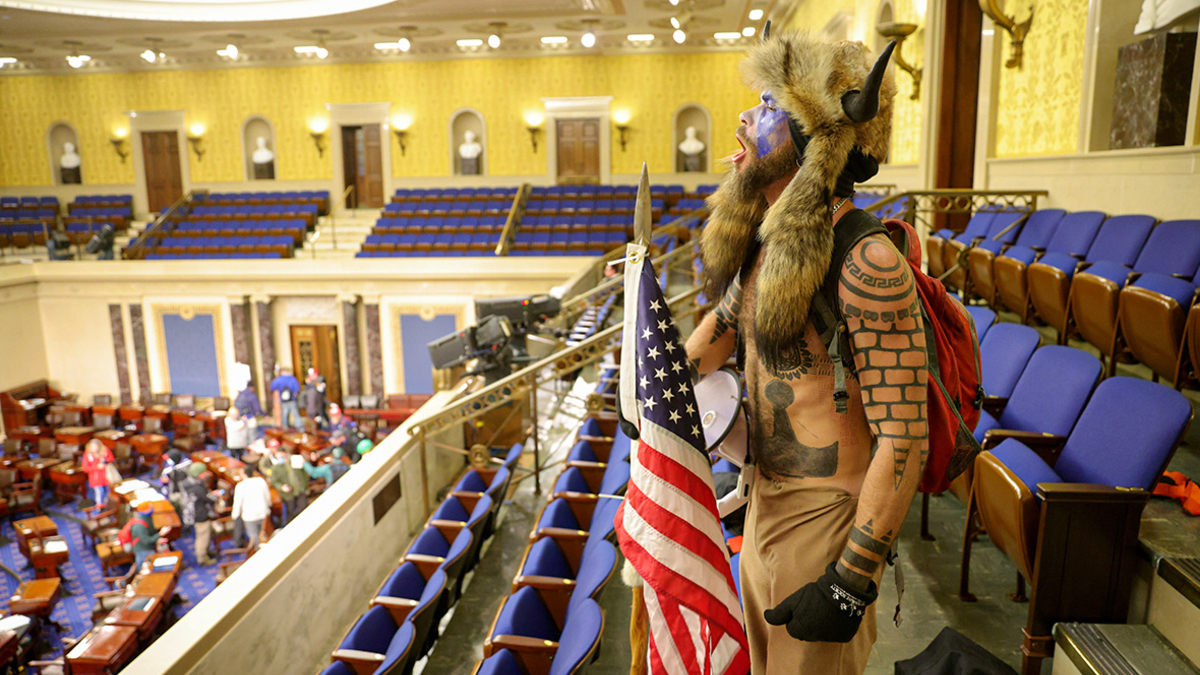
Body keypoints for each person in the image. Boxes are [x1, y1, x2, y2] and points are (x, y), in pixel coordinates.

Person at [685, 31, 918, 675]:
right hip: (762, 500)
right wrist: (656, 389)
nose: (745, 115)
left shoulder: (869, 262)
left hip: (827, 522)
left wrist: (851, 580)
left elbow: (905, 439)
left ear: (814, 133)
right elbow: (722, 327)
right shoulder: (769, 244)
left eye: (767, 104)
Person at [180, 463, 218, 566]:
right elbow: (210, 499)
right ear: (199, 474)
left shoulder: (187, 483)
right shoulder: (197, 488)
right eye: (204, 472)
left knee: (206, 535)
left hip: (193, 514)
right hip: (200, 515)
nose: (206, 474)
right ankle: (202, 558)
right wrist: (216, 495)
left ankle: (207, 552)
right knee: (203, 537)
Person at [232, 465, 273, 550]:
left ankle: (258, 552)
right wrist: (268, 506)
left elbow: (238, 503)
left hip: (249, 517)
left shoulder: (240, 486)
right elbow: (267, 496)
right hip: (263, 513)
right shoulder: (261, 481)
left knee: (254, 537)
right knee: (265, 535)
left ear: (244, 474)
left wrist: (235, 515)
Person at [267, 443, 308, 525]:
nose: (280, 458)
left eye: (281, 456)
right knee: (290, 512)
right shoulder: (276, 468)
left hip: (300, 490)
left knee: (303, 509)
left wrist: (305, 485)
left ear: (285, 454)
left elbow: (303, 473)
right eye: (278, 456)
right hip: (288, 494)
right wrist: (281, 487)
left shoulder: (295, 461)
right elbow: (274, 481)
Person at [130, 501, 171, 568]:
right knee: (148, 569)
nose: (152, 508)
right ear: (145, 510)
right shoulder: (139, 525)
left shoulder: (147, 518)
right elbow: (146, 541)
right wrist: (160, 533)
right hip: (143, 551)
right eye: (150, 507)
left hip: (149, 548)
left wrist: (157, 539)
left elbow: (149, 535)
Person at [80, 439, 116, 506]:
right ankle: (100, 507)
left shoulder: (104, 450)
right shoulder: (87, 454)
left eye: (96, 446)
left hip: (107, 476)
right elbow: (85, 468)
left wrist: (105, 461)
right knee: (100, 493)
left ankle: (110, 506)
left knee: (109, 492)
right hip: (96, 478)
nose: (94, 449)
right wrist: (97, 467)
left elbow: (111, 458)